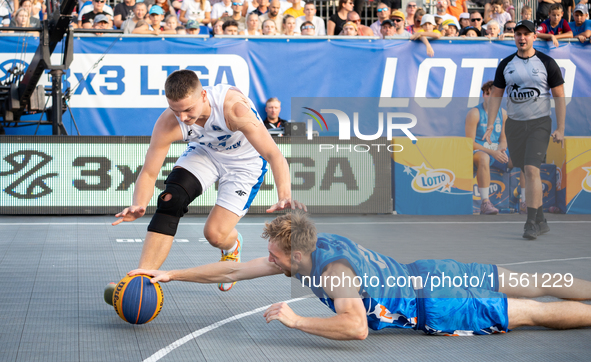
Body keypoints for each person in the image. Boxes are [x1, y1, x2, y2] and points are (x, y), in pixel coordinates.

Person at [129, 211, 591, 340]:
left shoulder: (334, 273)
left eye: (274, 253)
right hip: (435, 272)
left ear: (295, 254)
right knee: (538, 282)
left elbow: (354, 327)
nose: (267, 258)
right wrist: (172, 274)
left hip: (438, 303)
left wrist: (297, 321)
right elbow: (232, 269)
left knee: (532, 311)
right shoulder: (312, 244)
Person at [107, 69, 302, 304]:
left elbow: (274, 154)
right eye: (175, 110)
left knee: (214, 235)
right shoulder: (169, 122)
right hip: (206, 152)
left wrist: (284, 195)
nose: (183, 117)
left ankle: (232, 247)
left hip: (245, 164)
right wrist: (138, 203)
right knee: (171, 199)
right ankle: (140, 280)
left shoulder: (234, 109)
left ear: (203, 96)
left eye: (188, 110)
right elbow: (149, 172)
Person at [484, 20, 565, 240]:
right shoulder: (506, 64)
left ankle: (531, 223)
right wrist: (492, 124)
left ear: (534, 37)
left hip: (539, 123)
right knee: (523, 170)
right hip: (515, 125)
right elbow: (496, 96)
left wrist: (560, 128)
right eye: (518, 34)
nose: (522, 38)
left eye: (526, 34)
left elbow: (559, 96)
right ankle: (541, 218)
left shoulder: (546, 63)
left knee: (531, 169)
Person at [466, 81, 511, 215]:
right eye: (487, 93)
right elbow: (470, 143)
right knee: (484, 158)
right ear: (483, 95)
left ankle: (526, 202)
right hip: (479, 152)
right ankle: (485, 202)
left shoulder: (503, 114)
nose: (490, 97)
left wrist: (501, 150)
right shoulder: (474, 113)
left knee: (523, 159)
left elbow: (503, 139)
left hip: (496, 151)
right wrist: (493, 152)